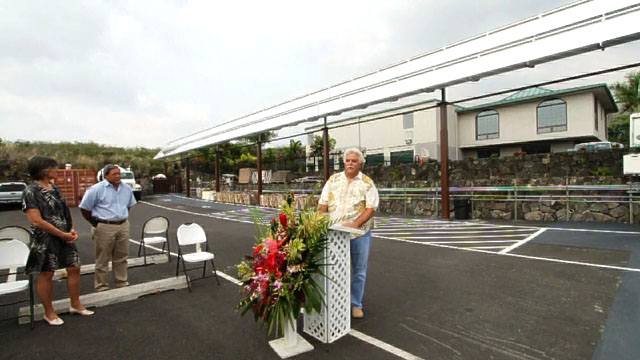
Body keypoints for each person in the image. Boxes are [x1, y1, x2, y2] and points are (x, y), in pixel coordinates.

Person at [22, 156, 94, 326]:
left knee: (74, 267)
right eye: (54, 167)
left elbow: (65, 212)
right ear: (44, 170)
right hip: (45, 238)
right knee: (47, 272)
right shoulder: (31, 191)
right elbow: (36, 220)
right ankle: (49, 312)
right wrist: (61, 234)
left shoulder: (54, 187)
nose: (57, 170)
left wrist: (71, 229)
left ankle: (75, 305)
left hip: (65, 236)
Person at [318, 148, 379, 319]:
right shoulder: (333, 180)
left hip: (359, 234)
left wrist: (355, 224)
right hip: (335, 235)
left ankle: (355, 304)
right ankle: (336, 302)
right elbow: (323, 203)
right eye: (347, 160)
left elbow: (371, 208)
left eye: (354, 161)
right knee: (335, 269)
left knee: (359, 270)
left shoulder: (367, 183)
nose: (350, 163)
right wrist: (318, 220)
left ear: (360, 164)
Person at [79, 165, 137, 292]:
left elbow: (129, 205)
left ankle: (121, 282)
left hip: (122, 225)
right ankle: (101, 285)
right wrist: (95, 223)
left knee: (122, 256)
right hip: (104, 226)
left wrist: (121, 216)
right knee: (102, 258)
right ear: (106, 176)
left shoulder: (126, 189)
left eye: (119, 174)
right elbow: (84, 208)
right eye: (114, 174)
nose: (118, 176)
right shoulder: (96, 189)